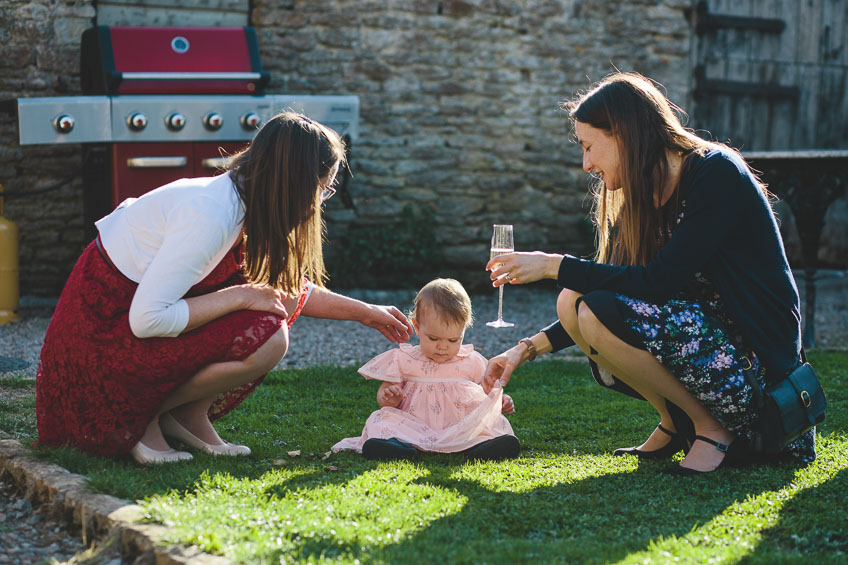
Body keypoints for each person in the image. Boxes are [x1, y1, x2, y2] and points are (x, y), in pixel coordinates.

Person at [484, 72, 814, 475]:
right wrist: (524, 349)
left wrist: (554, 265)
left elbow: (659, 284)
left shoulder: (716, 173)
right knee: (573, 300)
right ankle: (677, 422)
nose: (586, 163)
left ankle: (712, 429)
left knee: (593, 304)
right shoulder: (645, 195)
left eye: (589, 147)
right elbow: (620, 285)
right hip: (713, 347)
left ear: (623, 133)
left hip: (759, 371)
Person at [36, 112, 414, 465]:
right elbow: (146, 320)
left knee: (268, 313)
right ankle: (138, 413)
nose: (318, 203)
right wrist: (241, 296)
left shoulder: (242, 199)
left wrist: (367, 312)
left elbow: (287, 288)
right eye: (322, 189)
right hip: (99, 341)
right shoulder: (211, 215)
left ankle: (186, 414)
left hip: (120, 328)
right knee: (268, 333)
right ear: (295, 182)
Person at [332, 278, 520, 461]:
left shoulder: (472, 360)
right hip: (414, 425)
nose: (443, 347)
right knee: (382, 419)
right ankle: (398, 447)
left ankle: (481, 447)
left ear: (463, 331)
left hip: (460, 426)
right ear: (417, 327)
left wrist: (500, 401)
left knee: (490, 423)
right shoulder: (405, 359)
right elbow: (384, 400)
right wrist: (390, 396)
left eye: (453, 340)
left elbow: (488, 393)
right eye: (434, 338)